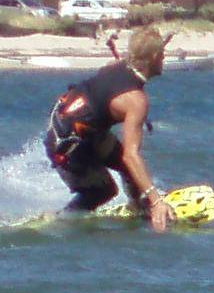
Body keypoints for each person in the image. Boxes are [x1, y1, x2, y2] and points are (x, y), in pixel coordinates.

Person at [44, 26, 175, 232]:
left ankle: (135, 206)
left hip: (74, 129)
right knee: (104, 191)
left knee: (130, 171)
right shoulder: (136, 101)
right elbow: (131, 156)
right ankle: (59, 220)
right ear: (154, 57)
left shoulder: (115, 67)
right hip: (66, 146)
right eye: (162, 54)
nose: (164, 59)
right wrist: (156, 201)